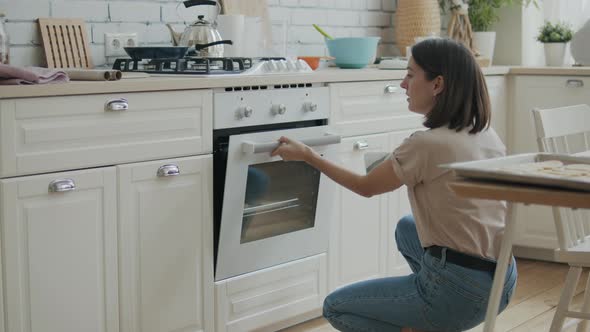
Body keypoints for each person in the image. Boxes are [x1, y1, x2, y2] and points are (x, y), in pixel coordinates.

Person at [270, 38, 517, 332]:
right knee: (407, 227)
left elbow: (366, 186)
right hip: (503, 279)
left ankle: (428, 318)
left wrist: (308, 156)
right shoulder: (485, 133)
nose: (403, 84)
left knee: (335, 307)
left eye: (411, 75)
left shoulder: (426, 144)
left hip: (461, 294)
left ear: (437, 84)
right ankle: (427, 317)